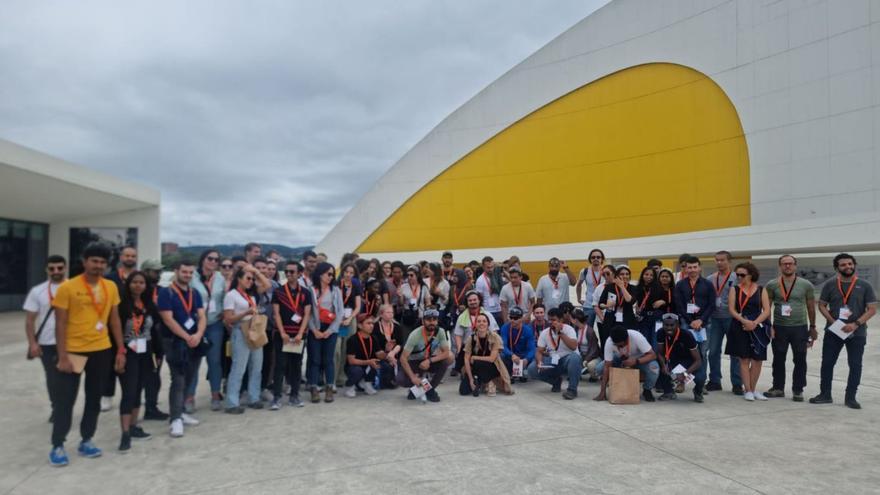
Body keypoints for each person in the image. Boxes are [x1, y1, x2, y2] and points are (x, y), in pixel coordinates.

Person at [49, 243, 126, 467]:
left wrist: (120, 349)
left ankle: (86, 440)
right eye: (94, 261)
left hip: (101, 350)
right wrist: (62, 355)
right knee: (66, 400)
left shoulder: (110, 286)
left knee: (94, 398)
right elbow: (60, 324)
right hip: (74, 350)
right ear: (85, 262)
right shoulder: (68, 287)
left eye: (102, 262)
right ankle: (57, 444)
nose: (98, 266)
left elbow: (115, 320)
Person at [811, 254, 877, 409]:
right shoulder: (830, 285)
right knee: (827, 363)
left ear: (854, 265)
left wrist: (855, 324)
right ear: (837, 268)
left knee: (855, 365)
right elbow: (821, 305)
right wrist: (834, 323)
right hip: (834, 331)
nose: (847, 267)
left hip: (857, 332)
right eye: (843, 265)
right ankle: (825, 394)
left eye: (850, 264)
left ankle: (851, 397)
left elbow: (872, 309)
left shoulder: (865, 285)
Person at [158, 260, 207, 437]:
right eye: (184, 272)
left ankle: (181, 412)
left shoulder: (195, 293)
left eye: (190, 273)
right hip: (175, 342)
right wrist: (187, 337)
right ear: (176, 271)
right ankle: (175, 418)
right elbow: (168, 319)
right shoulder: (166, 293)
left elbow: (202, 315)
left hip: (194, 340)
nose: (187, 275)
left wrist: (198, 335)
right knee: (177, 379)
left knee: (190, 377)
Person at [764, 255, 816, 401]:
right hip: (779, 327)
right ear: (780, 266)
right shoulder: (772, 284)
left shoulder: (806, 285)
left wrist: (812, 327)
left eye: (790, 263)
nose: (787, 266)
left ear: (795, 266)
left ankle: (798, 390)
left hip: (799, 327)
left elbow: (811, 307)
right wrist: (769, 326)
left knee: (800, 359)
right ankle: (778, 388)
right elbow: (767, 307)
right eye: (784, 264)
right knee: (778, 359)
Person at [116, 271, 157, 451]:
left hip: (145, 351)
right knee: (129, 391)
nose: (138, 286)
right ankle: (125, 433)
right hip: (128, 351)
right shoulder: (121, 305)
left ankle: (133, 426)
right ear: (128, 284)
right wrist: (120, 352)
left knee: (139, 388)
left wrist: (158, 353)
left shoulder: (148, 305)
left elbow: (154, 331)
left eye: (141, 283)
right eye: (134, 282)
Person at [222, 264, 271, 414]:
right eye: (248, 278)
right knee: (239, 368)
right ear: (239, 279)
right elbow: (228, 318)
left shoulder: (250, 295)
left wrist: (255, 271)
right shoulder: (231, 295)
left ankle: (253, 397)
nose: (251, 281)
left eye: (252, 279)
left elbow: (267, 285)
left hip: (253, 330)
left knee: (256, 367)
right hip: (240, 330)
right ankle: (231, 402)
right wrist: (246, 312)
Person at [24, 255, 67, 424]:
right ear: (46, 270)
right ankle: (57, 408)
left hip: (72, 341)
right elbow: (30, 320)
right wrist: (32, 343)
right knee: (53, 378)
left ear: (65, 268)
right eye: (52, 268)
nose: (56, 271)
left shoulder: (73, 287)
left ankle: (64, 408)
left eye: (59, 268)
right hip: (47, 342)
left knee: (69, 378)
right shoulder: (38, 291)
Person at [725, 262, 772, 402]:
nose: (739, 277)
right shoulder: (735, 289)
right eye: (737, 274)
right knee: (744, 359)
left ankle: (753, 388)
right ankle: (748, 390)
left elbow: (767, 310)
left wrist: (755, 323)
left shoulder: (761, 289)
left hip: (757, 326)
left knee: (758, 360)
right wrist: (744, 321)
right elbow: (732, 310)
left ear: (750, 275)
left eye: (742, 275)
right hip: (740, 326)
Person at [270, 261, 313, 409]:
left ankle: (294, 395)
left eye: (292, 272)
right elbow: (276, 314)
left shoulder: (306, 293)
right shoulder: (279, 292)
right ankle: (276, 397)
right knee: (280, 365)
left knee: (296, 365)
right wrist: (282, 333)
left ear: (299, 273)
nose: (288, 274)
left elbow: (307, 314)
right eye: (286, 271)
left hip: (298, 335)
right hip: (283, 335)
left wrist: (301, 333)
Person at [101, 245, 138, 412]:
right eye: (127, 255)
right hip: (112, 325)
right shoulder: (109, 278)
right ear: (121, 257)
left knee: (133, 363)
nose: (129, 258)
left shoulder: (139, 277)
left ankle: (132, 394)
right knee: (110, 362)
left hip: (135, 326)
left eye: (132, 256)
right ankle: (107, 395)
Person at [191, 249, 228, 411]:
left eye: (216, 260)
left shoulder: (220, 278)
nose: (213, 262)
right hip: (195, 324)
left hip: (214, 324)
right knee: (194, 362)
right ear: (202, 259)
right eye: (210, 258)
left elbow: (225, 297)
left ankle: (215, 394)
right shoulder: (192, 277)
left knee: (214, 361)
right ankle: (189, 397)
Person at [674, 256, 712, 398]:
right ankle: (681, 382)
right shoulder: (680, 285)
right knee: (684, 352)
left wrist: (701, 320)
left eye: (695, 267)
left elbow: (711, 305)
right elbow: (679, 305)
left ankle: (700, 385)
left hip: (704, 324)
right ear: (685, 268)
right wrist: (690, 321)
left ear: (700, 268)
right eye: (689, 267)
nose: (692, 270)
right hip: (686, 323)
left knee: (702, 353)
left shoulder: (707, 284)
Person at [705, 251, 743, 394]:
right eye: (717, 260)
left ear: (729, 261)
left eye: (722, 260)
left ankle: (737, 383)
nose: (719, 263)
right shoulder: (710, 278)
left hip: (732, 318)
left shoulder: (736, 277)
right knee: (713, 351)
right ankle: (715, 380)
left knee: (735, 352)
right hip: (714, 319)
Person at [307, 262, 344, 403]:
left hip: (331, 328)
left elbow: (339, 312)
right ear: (320, 273)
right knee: (315, 359)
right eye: (328, 273)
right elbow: (308, 312)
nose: (331, 276)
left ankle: (329, 387)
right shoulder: (311, 290)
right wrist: (314, 330)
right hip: (315, 327)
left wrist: (330, 330)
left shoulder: (335, 290)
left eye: (332, 274)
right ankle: (314, 388)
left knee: (329, 359)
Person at [396, 309, 451, 402]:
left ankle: (430, 389)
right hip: (413, 362)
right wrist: (413, 377)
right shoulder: (415, 335)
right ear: (423, 321)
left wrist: (429, 361)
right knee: (400, 379)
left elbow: (446, 353)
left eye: (434, 320)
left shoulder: (440, 332)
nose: (432, 322)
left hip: (427, 360)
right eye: (428, 319)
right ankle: (415, 387)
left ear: (437, 321)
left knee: (447, 359)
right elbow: (403, 358)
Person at [594, 325, 660, 402]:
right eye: (617, 345)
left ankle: (647, 390)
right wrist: (602, 391)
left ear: (627, 339)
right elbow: (607, 366)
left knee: (654, 368)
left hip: (639, 358)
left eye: (621, 345)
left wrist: (636, 361)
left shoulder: (637, 337)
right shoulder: (610, 341)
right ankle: (614, 384)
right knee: (599, 369)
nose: (620, 347)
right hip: (619, 358)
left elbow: (653, 355)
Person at [527, 308, 581, 400]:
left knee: (575, 358)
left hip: (567, 360)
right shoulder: (545, 332)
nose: (551, 322)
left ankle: (572, 390)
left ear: (561, 320)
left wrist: (560, 333)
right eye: (550, 320)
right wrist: (539, 362)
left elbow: (574, 346)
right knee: (532, 369)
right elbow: (539, 351)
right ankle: (555, 381)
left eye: (554, 320)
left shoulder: (569, 329)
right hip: (553, 360)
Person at [139, 259, 168, 420]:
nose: (158, 275)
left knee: (154, 373)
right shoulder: (136, 290)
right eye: (155, 272)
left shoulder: (162, 291)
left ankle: (151, 407)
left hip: (157, 338)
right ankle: (134, 407)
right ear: (146, 271)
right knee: (137, 376)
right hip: (139, 338)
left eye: (160, 272)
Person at [655, 314, 703, 402]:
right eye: (666, 325)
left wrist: (685, 374)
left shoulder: (687, 335)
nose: (669, 328)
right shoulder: (660, 332)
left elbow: (698, 360)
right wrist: (663, 365)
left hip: (690, 361)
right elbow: (660, 353)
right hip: (673, 360)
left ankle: (698, 391)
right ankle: (668, 392)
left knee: (701, 377)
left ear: (678, 325)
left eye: (671, 325)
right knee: (657, 363)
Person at [463, 313, 513, 397]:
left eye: (484, 321)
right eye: (479, 321)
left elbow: (492, 359)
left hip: (493, 367)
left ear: (488, 324)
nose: (481, 323)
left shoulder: (495, 337)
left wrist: (475, 357)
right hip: (476, 368)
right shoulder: (471, 338)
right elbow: (466, 359)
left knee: (477, 362)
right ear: (475, 324)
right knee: (463, 390)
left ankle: (490, 382)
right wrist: (471, 379)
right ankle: (482, 382)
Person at [453, 291, 499, 371]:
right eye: (470, 301)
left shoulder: (488, 315)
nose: (472, 302)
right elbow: (458, 335)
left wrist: (492, 346)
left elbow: (494, 332)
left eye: (475, 300)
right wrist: (459, 349)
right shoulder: (461, 317)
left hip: (484, 346)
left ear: (479, 301)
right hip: (468, 347)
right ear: (467, 303)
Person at [343, 315, 387, 398]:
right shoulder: (352, 339)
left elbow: (380, 356)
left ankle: (367, 383)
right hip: (354, 367)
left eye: (372, 323)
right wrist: (368, 362)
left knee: (378, 363)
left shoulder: (373, 338)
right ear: (359, 325)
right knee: (357, 370)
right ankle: (349, 386)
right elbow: (351, 361)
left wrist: (387, 351)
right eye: (368, 323)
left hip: (367, 365)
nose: (371, 326)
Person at [335, 263, 363, 388]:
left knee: (347, 349)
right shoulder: (336, 284)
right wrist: (338, 318)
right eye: (346, 271)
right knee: (336, 350)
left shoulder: (356, 285)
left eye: (351, 273)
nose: (348, 274)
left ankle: (341, 376)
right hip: (337, 320)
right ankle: (332, 377)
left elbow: (357, 306)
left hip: (350, 320)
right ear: (342, 272)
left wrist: (350, 318)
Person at [597, 266, 636, 350]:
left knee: (627, 342)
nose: (625, 276)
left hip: (627, 318)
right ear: (617, 275)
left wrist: (622, 286)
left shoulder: (633, 288)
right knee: (609, 342)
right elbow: (600, 304)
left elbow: (630, 300)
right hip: (611, 319)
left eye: (627, 274)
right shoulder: (609, 287)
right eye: (622, 274)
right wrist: (606, 305)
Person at [372, 304, 404, 389]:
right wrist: (387, 354)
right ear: (381, 314)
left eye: (392, 312)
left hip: (394, 355)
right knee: (387, 366)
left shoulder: (397, 327)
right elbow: (375, 346)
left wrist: (392, 353)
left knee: (401, 364)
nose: (391, 314)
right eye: (388, 312)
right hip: (379, 355)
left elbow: (400, 344)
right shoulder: (375, 327)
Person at [499, 307, 536, 382]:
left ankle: (523, 370)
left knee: (533, 356)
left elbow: (532, 349)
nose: (512, 320)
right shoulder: (505, 327)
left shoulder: (527, 330)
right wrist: (511, 355)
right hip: (511, 355)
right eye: (511, 317)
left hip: (523, 356)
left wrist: (527, 359)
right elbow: (504, 346)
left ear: (521, 318)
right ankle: (509, 372)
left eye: (515, 318)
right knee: (500, 355)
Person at [576, 249, 606, 327]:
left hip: (603, 306)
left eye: (598, 257)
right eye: (593, 257)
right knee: (587, 330)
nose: (596, 259)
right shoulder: (585, 271)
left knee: (604, 330)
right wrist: (579, 299)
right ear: (590, 259)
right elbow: (578, 285)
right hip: (589, 305)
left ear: (602, 259)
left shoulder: (606, 271)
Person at [571, 307, 601, 382]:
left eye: (572, 319)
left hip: (592, 356)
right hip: (581, 354)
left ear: (576, 320)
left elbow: (594, 349)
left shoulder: (590, 331)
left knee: (591, 365)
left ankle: (594, 376)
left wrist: (587, 359)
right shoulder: (575, 329)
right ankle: (576, 375)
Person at [633, 266, 657, 346]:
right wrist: (637, 306)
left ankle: (654, 357)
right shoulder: (638, 288)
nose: (649, 277)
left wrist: (662, 301)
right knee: (644, 339)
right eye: (646, 274)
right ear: (642, 275)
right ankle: (646, 357)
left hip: (655, 317)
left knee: (654, 339)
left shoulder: (658, 287)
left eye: (651, 275)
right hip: (643, 317)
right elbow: (636, 300)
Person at [474, 256, 503, 322]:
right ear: (483, 267)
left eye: (492, 267)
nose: (491, 269)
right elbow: (479, 297)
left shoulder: (497, 277)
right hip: (488, 311)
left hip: (500, 309)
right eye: (488, 267)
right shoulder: (480, 280)